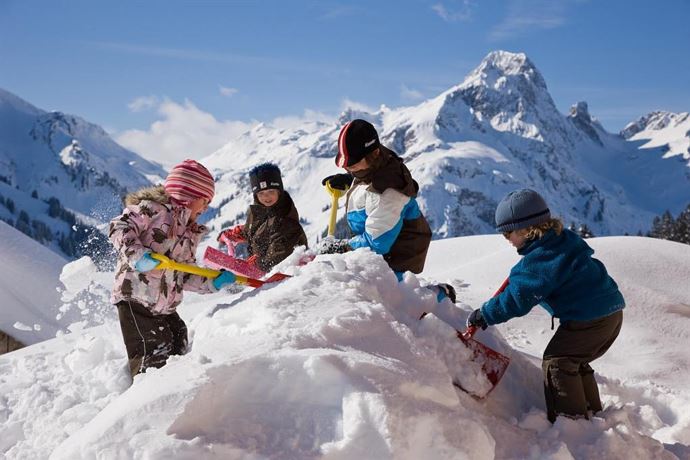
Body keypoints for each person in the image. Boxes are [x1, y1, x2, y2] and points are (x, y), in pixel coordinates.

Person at [466, 188, 625, 423]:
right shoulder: (560, 241)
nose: (506, 239)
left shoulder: (541, 260)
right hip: (609, 313)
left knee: (557, 362)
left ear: (527, 229)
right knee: (573, 360)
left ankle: (573, 423)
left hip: (591, 318)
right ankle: (592, 414)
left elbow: (517, 299)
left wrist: (486, 314)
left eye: (508, 233)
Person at [109, 159, 236, 379]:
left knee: (179, 337)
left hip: (165, 305)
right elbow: (118, 226)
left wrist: (211, 283)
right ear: (188, 196)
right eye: (204, 201)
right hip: (135, 298)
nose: (206, 208)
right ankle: (144, 396)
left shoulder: (189, 232)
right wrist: (138, 256)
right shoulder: (152, 210)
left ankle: (176, 386)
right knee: (153, 352)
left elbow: (185, 272)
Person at [321, 119, 454, 302]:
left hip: (398, 251)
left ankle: (440, 296)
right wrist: (349, 179)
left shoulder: (390, 192)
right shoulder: (376, 162)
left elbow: (377, 243)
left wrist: (343, 247)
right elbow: (369, 180)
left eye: (352, 164)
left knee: (394, 298)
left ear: (374, 153)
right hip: (380, 241)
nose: (347, 167)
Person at [217, 162, 308, 273]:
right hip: (265, 274)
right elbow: (254, 230)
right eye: (261, 193)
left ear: (279, 191)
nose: (266, 197)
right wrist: (236, 234)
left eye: (271, 191)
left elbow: (277, 256)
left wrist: (255, 265)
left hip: (285, 276)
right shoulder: (259, 211)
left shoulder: (286, 222)